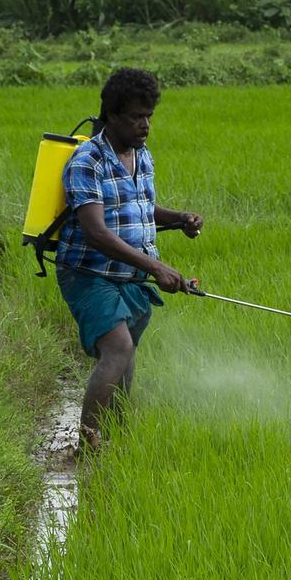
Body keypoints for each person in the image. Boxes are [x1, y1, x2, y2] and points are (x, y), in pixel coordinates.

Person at [55, 67, 202, 454]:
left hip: (131, 275)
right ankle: (87, 448)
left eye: (149, 116)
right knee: (118, 348)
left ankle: (116, 439)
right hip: (89, 273)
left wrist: (179, 219)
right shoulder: (87, 160)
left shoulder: (142, 155)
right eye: (137, 116)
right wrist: (157, 267)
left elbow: (140, 208)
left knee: (126, 354)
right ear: (112, 115)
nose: (145, 124)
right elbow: (96, 231)